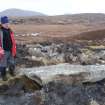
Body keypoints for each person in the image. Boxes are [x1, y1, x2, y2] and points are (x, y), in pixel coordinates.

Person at [0, 16, 16, 81]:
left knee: (12, 63)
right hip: (4, 51)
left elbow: (13, 40)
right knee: (3, 64)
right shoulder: (0, 31)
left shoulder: (10, 30)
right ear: (1, 24)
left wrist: (14, 48)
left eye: (7, 23)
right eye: (4, 23)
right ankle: (3, 76)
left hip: (11, 50)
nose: (6, 24)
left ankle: (11, 72)